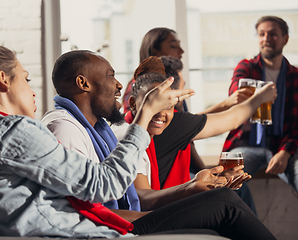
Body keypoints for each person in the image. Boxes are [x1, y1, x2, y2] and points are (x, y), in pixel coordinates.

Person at [0, 42, 197, 238]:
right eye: (26, 79)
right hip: (67, 233)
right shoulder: (11, 132)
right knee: (222, 206)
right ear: (3, 80)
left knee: (219, 205)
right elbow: (104, 186)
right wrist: (145, 114)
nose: (32, 89)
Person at [42, 49, 277, 239]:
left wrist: (193, 187)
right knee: (224, 203)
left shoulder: (98, 130)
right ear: (83, 83)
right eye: (110, 75)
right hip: (104, 228)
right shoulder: (65, 128)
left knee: (223, 201)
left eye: (170, 105)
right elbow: (81, 212)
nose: (119, 85)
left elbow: (138, 195)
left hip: (117, 219)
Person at [119, 56, 275, 212]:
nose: (161, 111)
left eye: (168, 105)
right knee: (231, 203)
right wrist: (260, 98)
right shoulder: (164, 126)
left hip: (162, 202)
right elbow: (232, 120)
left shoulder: (152, 123)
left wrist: (196, 183)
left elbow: (194, 121)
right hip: (159, 212)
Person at [223, 15, 298, 192]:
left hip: (283, 145)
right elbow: (236, 94)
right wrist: (259, 96)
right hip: (245, 143)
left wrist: (285, 152)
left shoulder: (295, 76)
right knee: (226, 182)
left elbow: (296, 124)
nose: (266, 39)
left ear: (285, 39)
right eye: (262, 34)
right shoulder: (247, 67)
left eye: (272, 34)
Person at [122, 27, 183, 113]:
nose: (181, 51)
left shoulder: (175, 77)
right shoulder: (142, 86)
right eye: (173, 46)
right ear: (155, 51)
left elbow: (183, 119)